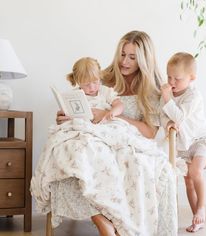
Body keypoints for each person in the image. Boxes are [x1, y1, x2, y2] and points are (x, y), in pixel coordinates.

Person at [51, 30, 177, 236]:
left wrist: (110, 116)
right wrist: (65, 116)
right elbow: (82, 103)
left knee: (133, 164)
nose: (124, 61)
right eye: (122, 54)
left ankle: (123, 226)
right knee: (79, 155)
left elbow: (148, 132)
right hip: (97, 138)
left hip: (130, 142)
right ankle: (104, 223)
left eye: (132, 57)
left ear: (144, 60)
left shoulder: (151, 91)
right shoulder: (101, 79)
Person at [160, 52, 206, 233]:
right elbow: (163, 116)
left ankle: (201, 208)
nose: (172, 82)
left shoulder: (193, 96)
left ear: (192, 78)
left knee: (195, 170)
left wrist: (168, 99)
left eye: (177, 78)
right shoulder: (167, 94)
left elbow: (180, 116)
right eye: (169, 77)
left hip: (200, 139)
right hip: (183, 144)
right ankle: (196, 218)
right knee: (188, 181)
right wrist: (168, 123)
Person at [66, 57, 124, 123]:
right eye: (86, 84)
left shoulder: (105, 91)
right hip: (84, 125)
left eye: (95, 82)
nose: (92, 88)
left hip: (105, 122)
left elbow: (119, 105)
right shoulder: (74, 95)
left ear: (100, 76)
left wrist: (112, 113)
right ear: (78, 82)